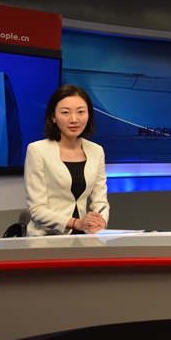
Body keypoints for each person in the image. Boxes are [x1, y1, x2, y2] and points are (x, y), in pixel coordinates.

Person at [24, 84, 109, 236]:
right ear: (53, 116)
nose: (74, 119)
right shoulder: (37, 150)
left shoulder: (96, 151)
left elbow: (100, 202)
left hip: (84, 236)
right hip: (46, 238)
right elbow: (37, 210)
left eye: (81, 112)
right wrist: (76, 223)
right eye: (65, 112)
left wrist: (99, 223)